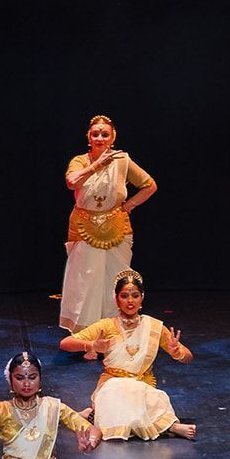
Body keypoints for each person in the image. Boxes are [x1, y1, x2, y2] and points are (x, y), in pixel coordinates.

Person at [58, 115, 157, 359]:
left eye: (105, 134)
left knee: (115, 279)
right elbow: (71, 182)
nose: (100, 138)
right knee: (86, 282)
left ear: (113, 138)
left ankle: (116, 335)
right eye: (95, 134)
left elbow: (150, 185)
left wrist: (129, 205)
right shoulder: (80, 161)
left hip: (116, 226)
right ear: (88, 137)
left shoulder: (122, 160)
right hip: (85, 226)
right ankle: (89, 341)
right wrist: (96, 165)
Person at [58, 269, 197, 440]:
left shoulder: (153, 326)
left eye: (135, 296)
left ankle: (92, 415)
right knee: (121, 394)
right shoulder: (106, 326)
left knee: (151, 398)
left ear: (142, 298)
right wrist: (91, 345)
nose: (130, 301)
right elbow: (65, 343)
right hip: (111, 385)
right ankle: (171, 427)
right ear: (116, 299)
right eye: (124, 296)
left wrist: (178, 353)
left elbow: (188, 356)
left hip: (142, 384)